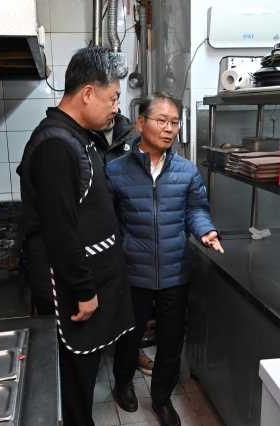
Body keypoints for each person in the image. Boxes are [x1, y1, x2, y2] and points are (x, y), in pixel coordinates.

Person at [17, 46, 134, 426]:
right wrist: (83, 289)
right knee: (73, 385)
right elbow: (60, 230)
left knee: (82, 382)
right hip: (70, 289)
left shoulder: (78, 135)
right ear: (87, 93)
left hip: (91, 279)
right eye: (113, 97)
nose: (116, 107)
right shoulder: (55, 145)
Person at [105, 92, 223, 426]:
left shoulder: (186, 171)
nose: (169, 129)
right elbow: (108, 222)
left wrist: (205, 230)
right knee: (130, 333)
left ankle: (161, 398)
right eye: (161, 120)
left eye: (174, 122)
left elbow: (196, 209)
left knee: (172, 339)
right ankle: (124, 382)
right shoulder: (115, 171)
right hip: (132, 271)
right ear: (140, 123)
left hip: (174, 271)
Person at [90, 110, 156, 376]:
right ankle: (93, 355)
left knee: (130, 305)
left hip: (128, 236)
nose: (114, 105)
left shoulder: (131, 135)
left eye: (117, 97)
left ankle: (132, 350)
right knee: (96, 298)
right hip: (94, 233)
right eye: (111, 96)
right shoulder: (81, 133)